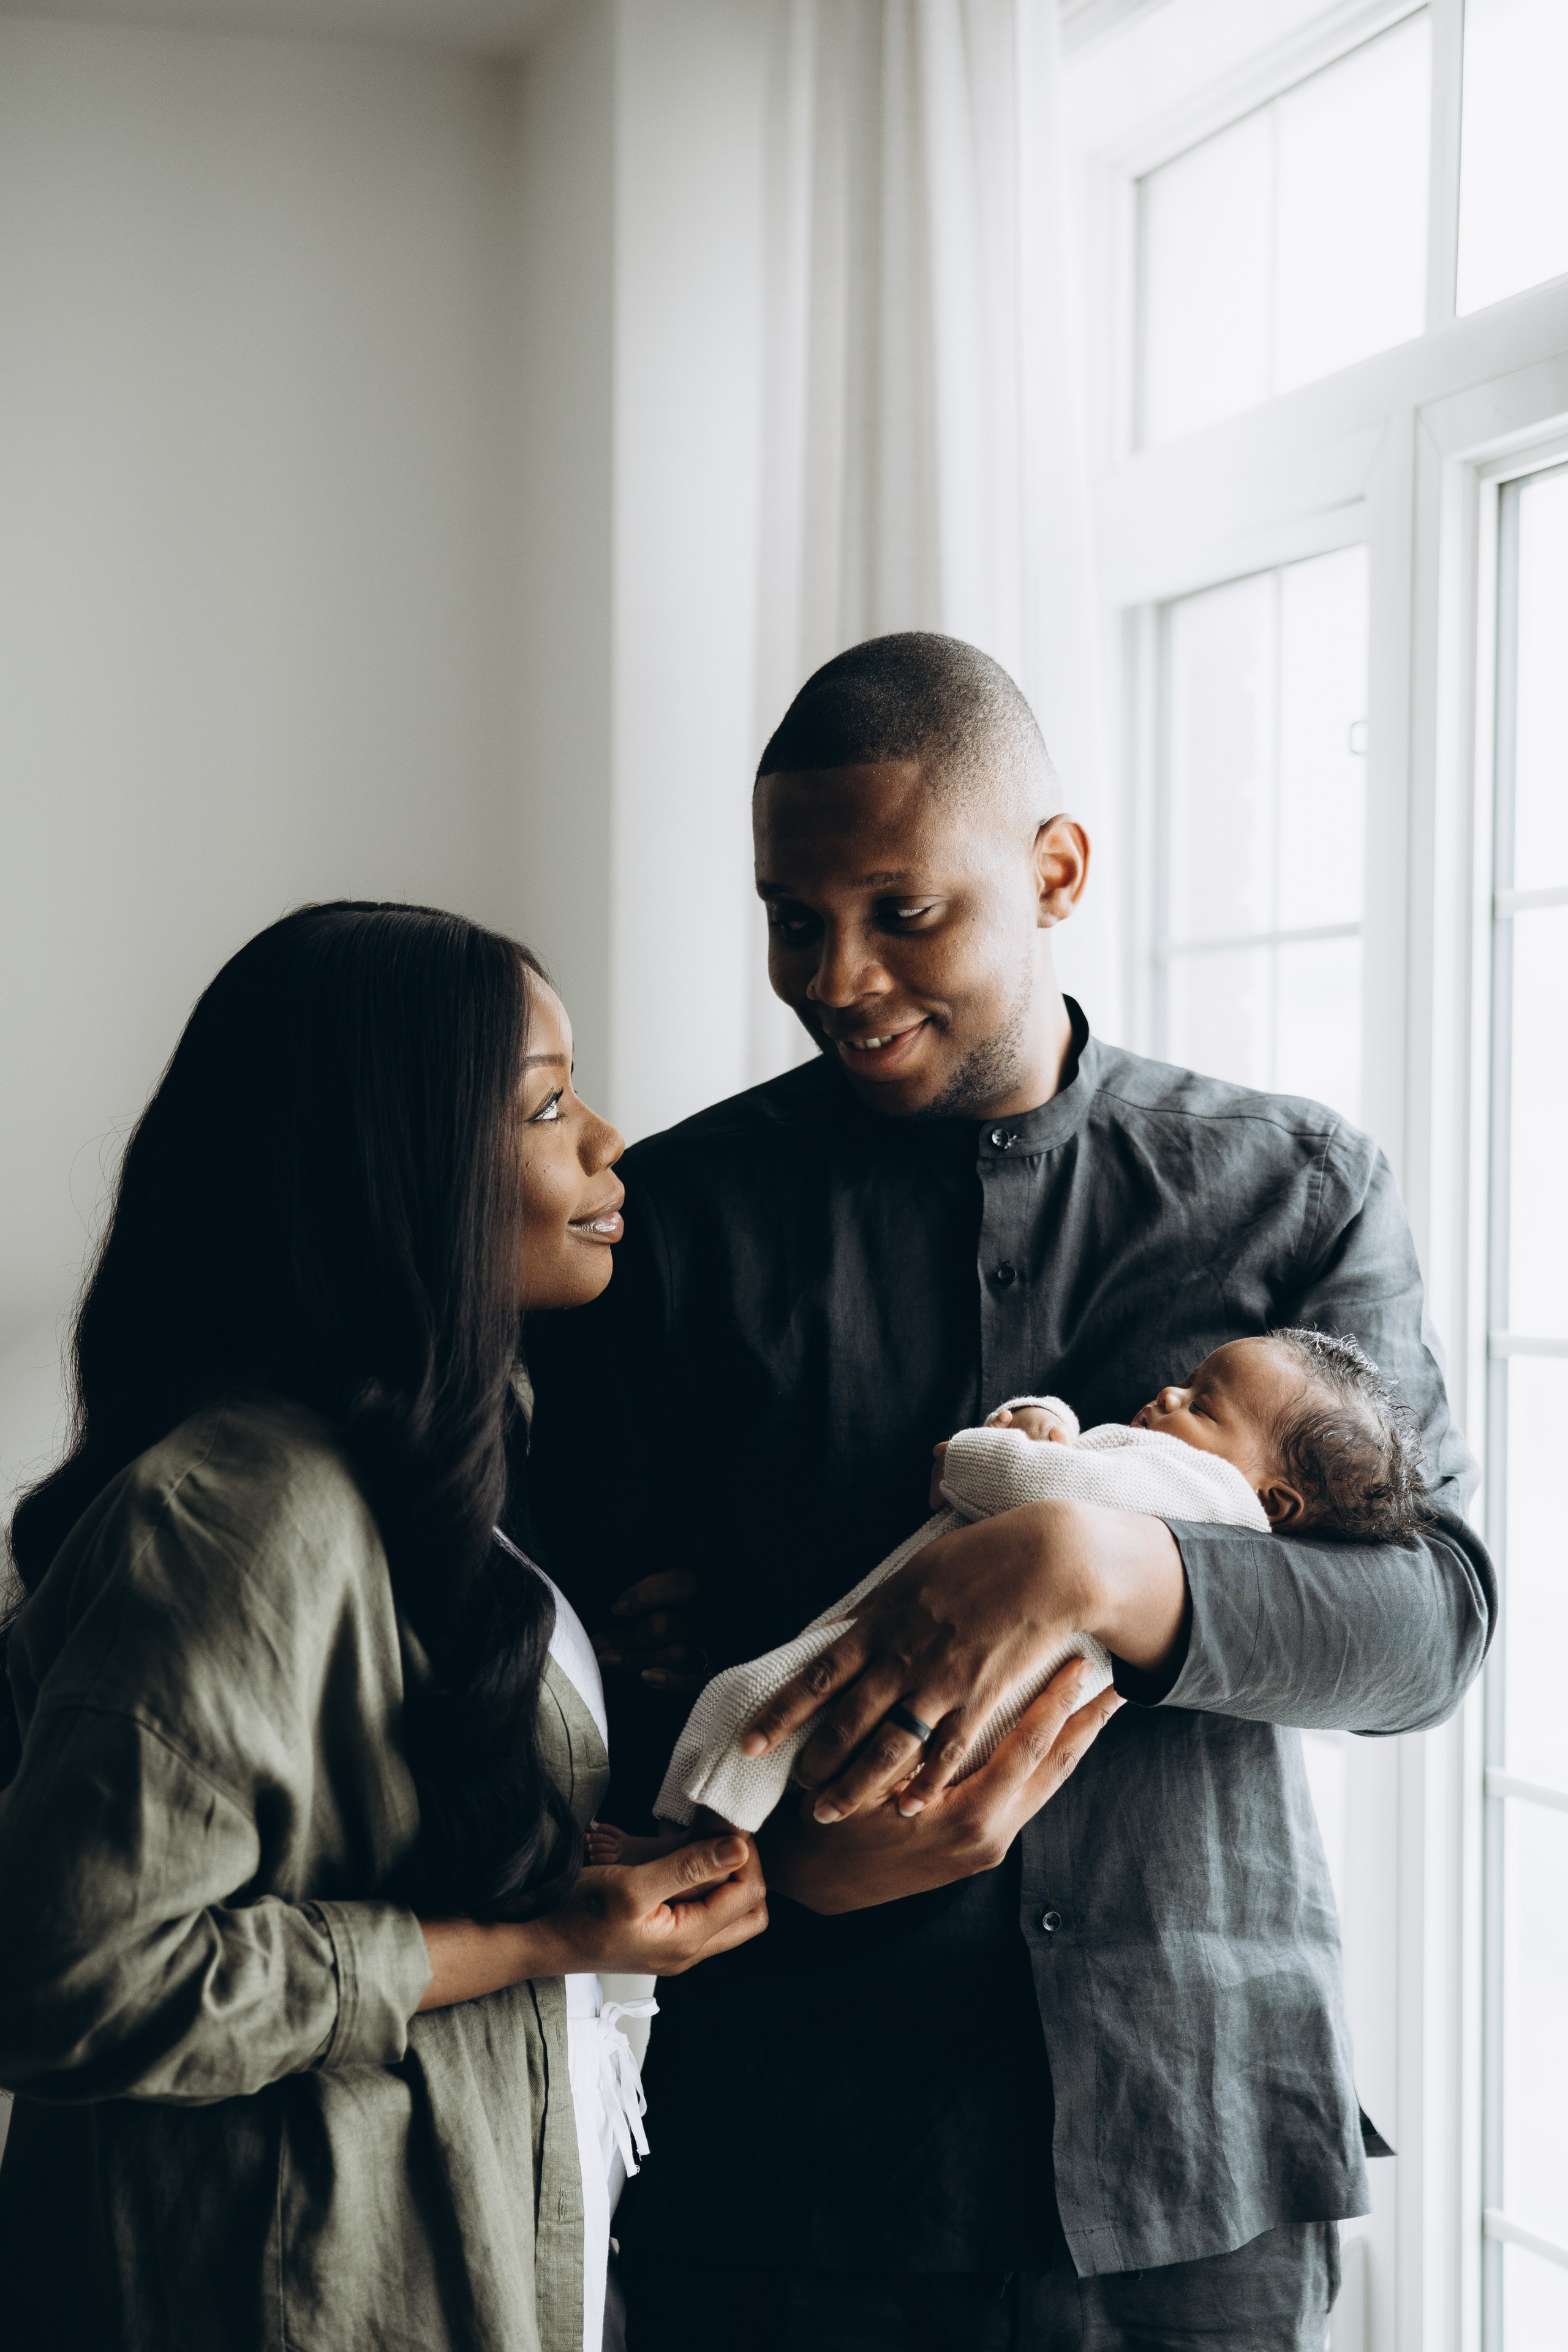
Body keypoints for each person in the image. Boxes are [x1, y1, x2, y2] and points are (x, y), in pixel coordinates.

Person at [524, 633, 1495, 2351]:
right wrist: (787, 1858)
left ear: (1055, 870)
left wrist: (1100, 1566)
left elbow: (1431, 1624)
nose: (837, 977)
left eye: (903, 912)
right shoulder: (666, 1226)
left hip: (1196, 2166)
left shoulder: (1299, 1191)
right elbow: (570, 1665)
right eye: (790, 918)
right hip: (792, 2173)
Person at [0, 902, 770, 2352]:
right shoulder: (247, 1511)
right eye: (548, 1105)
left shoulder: (426, 1475)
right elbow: (79, 1978)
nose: (609, 1146)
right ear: (398, 1168)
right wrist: (535, 1934)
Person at [592, 1328, 1432, 1844]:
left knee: (750, 1710)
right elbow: (1076, 1475)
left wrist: (966, 1457)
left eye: (1204, 1405)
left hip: (936, 1676)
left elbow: (1039, 1497)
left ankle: (680, 1846)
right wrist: (1046, 1424)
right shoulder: (1185, 1487)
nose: (1169, 1393)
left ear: (1273, 1501)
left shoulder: (1202, 1494)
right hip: (963, 1698)